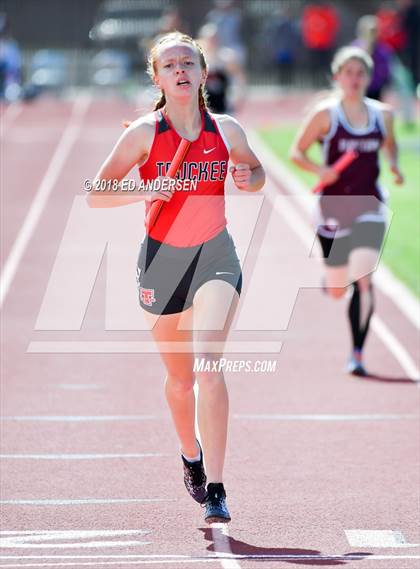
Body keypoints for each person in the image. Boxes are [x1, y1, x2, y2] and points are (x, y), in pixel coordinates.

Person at [87, 32, 265, 523]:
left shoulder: (226, 130)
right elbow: (95, 192)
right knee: (180, 380)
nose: (180, 69)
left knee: (209, 366)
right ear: (158, 78)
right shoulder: (144, 133)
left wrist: (251, 176)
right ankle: (191, 455)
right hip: (162, 264)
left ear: (204, 73)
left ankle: (218, 488)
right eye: (170, 65)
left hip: (216, 257)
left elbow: (255, 169)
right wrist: (146, 186)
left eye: (188, 61)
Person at [290, 46, 403, 377]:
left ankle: (357, 354)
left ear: (369, 77)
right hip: (332, 208)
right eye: (348, 72)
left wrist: (394, 166)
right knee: (339, 287)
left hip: (371, 206)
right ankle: (333, 279)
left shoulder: (384, 114)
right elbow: (296, 151)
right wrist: (319, 169)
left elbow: (390, 144)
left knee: (364, 278)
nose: (354, 79)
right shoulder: (326, 115)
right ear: (337, 76)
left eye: (360, 73)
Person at [353, 15, 393, 101]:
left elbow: (386, 69)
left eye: (374, 31)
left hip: (376, 88)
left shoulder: (382, 49)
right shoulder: (356, 47)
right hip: (358, 87)